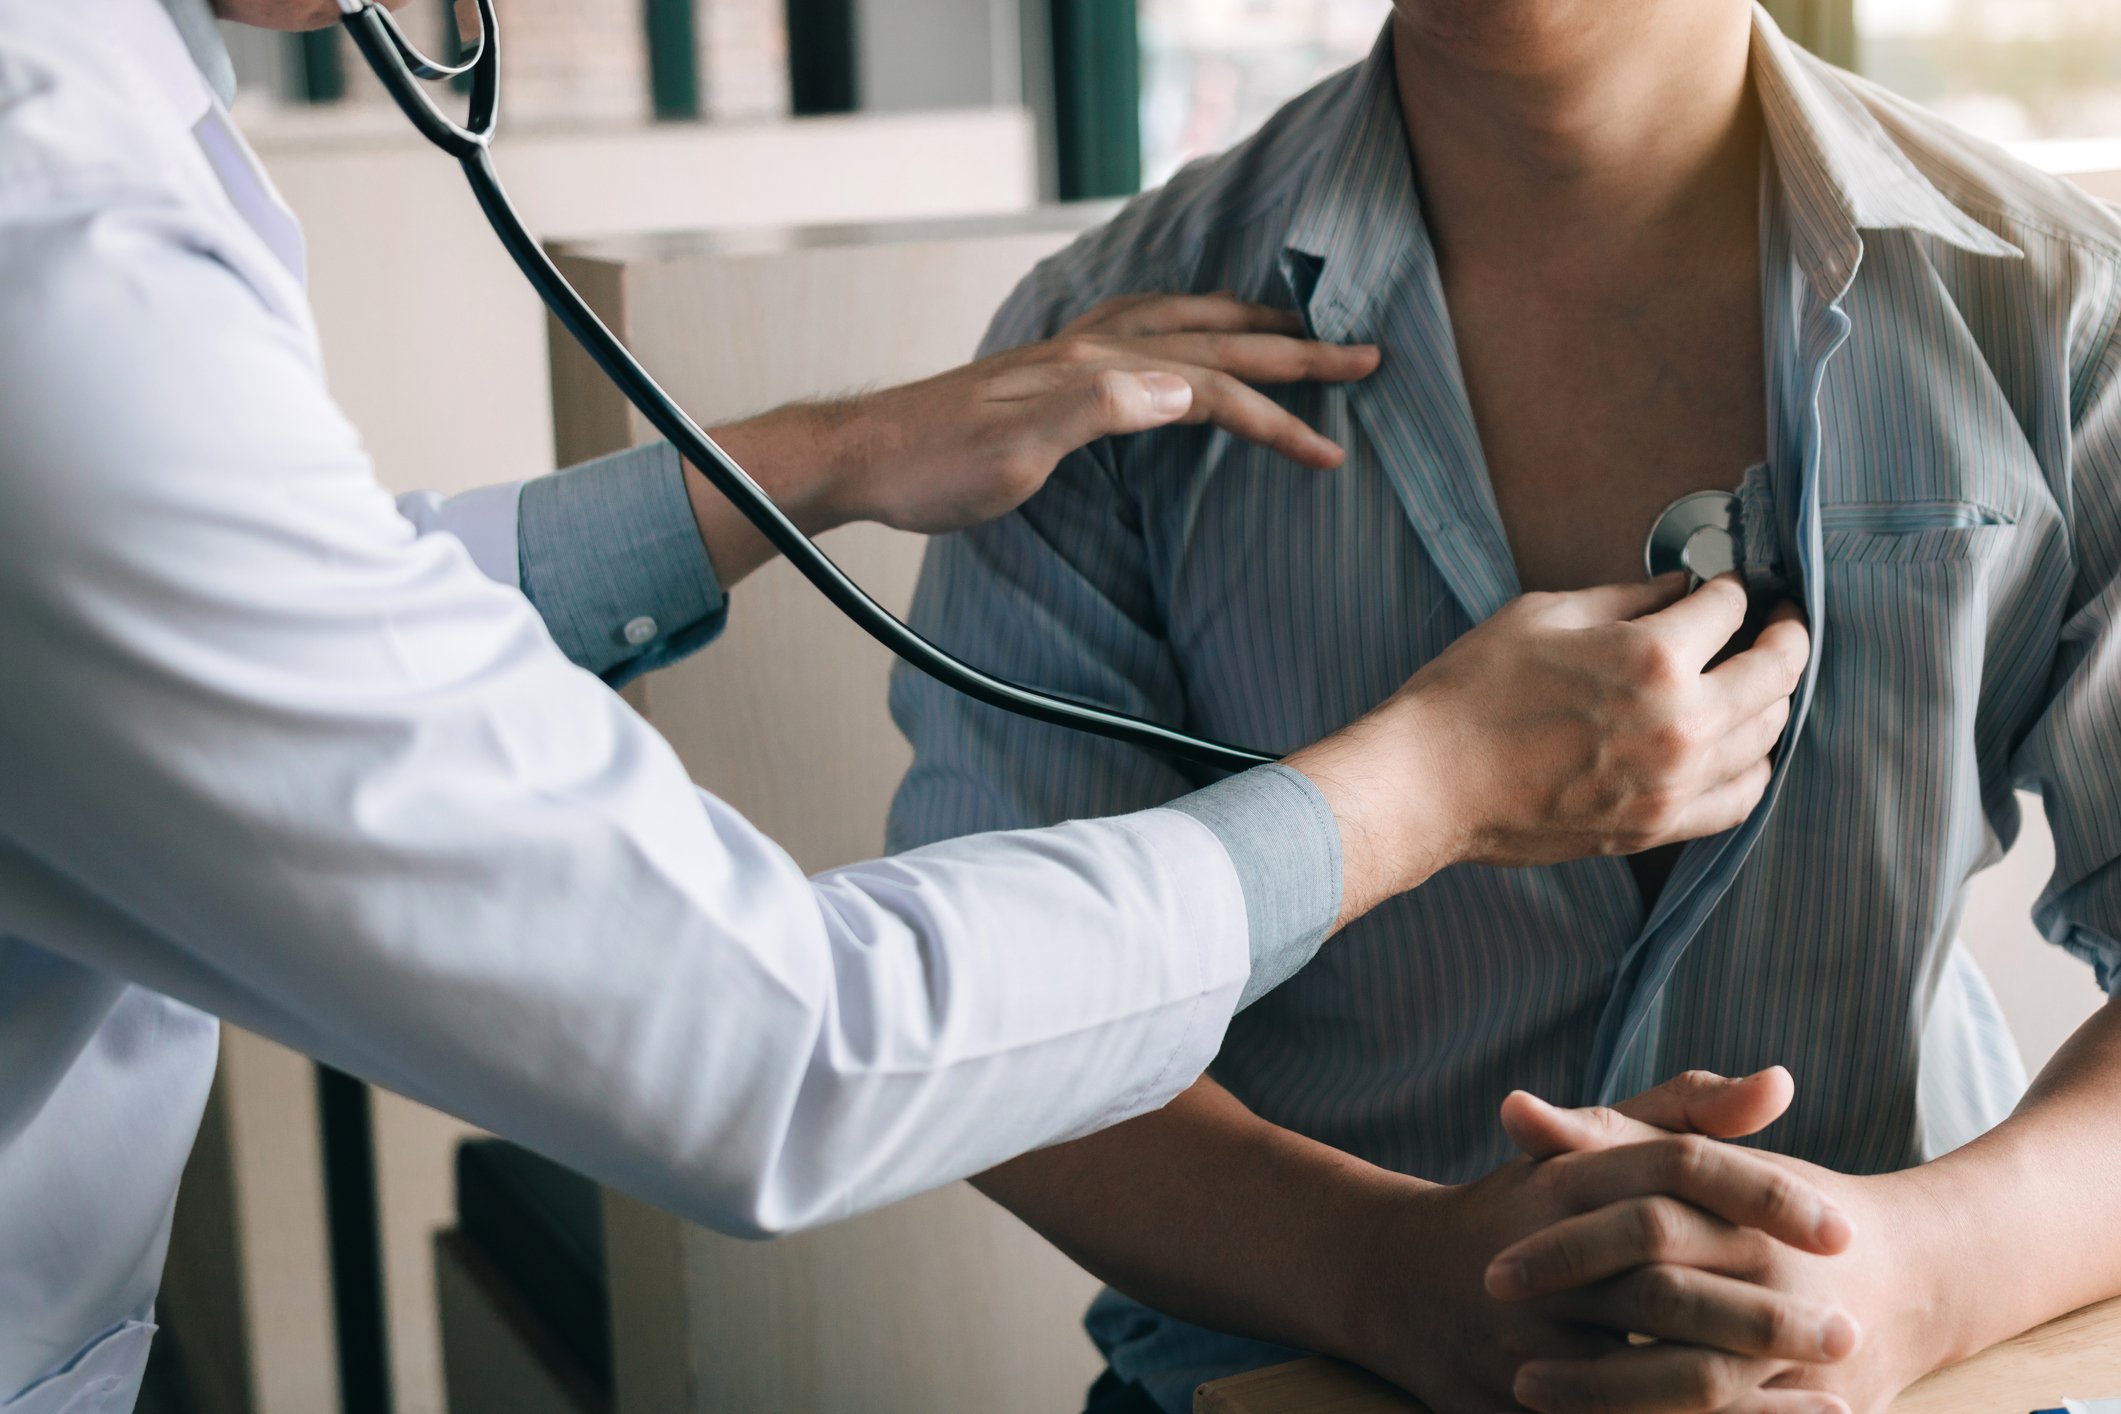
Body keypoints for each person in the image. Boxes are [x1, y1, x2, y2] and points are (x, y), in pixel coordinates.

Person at [0, 0, 1825, 1406]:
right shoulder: (52, 245)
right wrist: (1425, 786)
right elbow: (776, 1047)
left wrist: (832, 458)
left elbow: (284, 644)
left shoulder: (2043, 307)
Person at [886, 1, 2121, 1411]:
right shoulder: (1095, 351)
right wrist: (1381, 1268)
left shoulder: (2063, 315)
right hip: (1297, 1371)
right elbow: (983, 1023)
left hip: (1914, 1373)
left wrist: (1917, 1272)